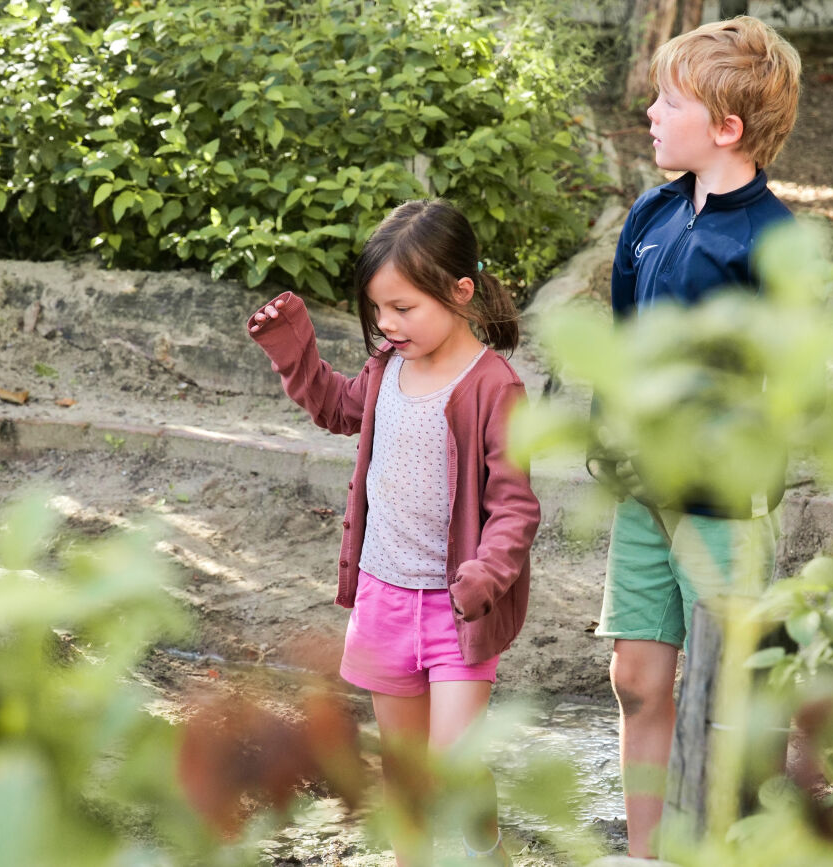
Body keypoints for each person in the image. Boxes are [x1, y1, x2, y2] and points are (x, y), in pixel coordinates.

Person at [246, 199, 539, 865]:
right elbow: (334, 405)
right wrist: (294, 348)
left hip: (459, 609)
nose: (386, 323)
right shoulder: (386, 367)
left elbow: (516, 505)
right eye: (379, 309)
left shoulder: (495, 386)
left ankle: (484, 851)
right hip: (384, 597)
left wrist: (486, 574)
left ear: (461, 292)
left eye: (404, 308)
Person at [591, 16, 801, 858]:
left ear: (726, 127)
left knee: (729, 696)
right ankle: (644, 853)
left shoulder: (773, 239)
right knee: (638, 680)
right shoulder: (648, 214)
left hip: (722, 506)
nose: (649, 109)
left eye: (667, 99)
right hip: (643, 492)